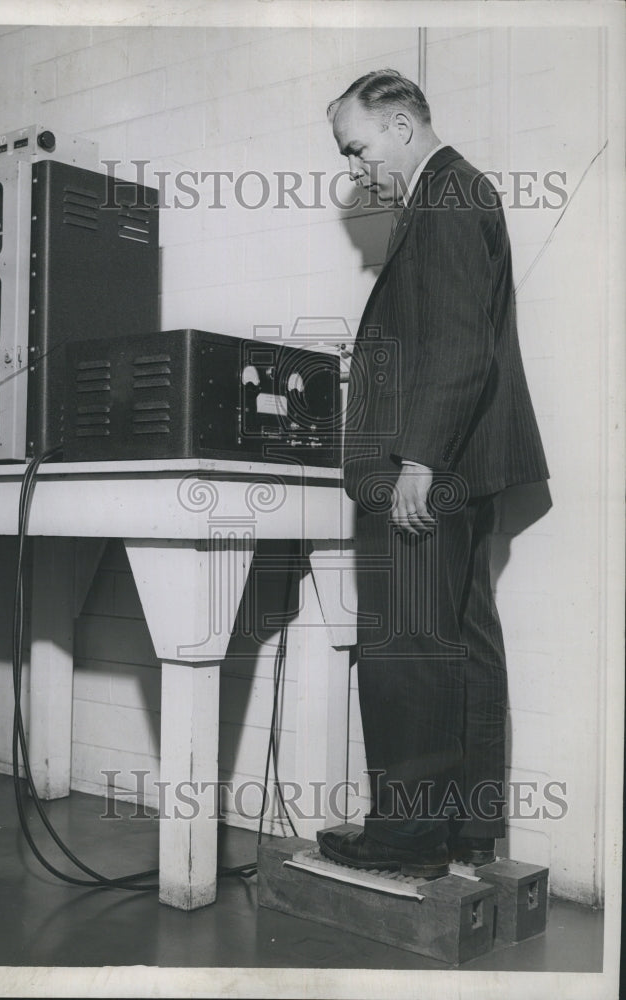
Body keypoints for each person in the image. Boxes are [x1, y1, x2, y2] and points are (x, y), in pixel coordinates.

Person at [318, 69, 549, 878]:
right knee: (464, 644)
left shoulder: (446, 197)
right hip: (467, 465)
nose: (357, 168)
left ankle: (408, 839)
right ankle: (465, 832)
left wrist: (418, 458)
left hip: (430, 465)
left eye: (358, 147)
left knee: (411, 646)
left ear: (403, 127)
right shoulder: (456, 194)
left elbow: (457, 343)